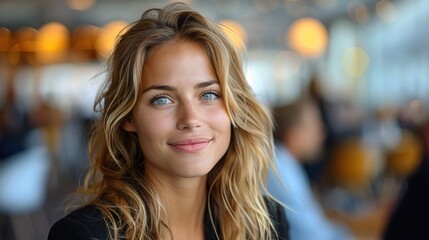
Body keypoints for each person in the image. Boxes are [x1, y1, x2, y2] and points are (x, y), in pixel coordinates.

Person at [48, 2, 289, 240]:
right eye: (162, 99)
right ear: (128, 116)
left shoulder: (265, 223)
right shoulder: (84, 235)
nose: (191, 119)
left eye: (209, 94)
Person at [267, 97, 352, 240]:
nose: (321, 133)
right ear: (294, 135)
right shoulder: (281, 170)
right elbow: (312, 235)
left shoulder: (284, 162)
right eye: (314, 125)